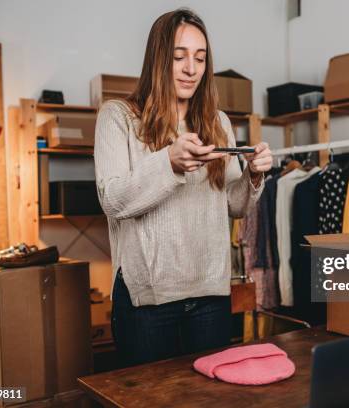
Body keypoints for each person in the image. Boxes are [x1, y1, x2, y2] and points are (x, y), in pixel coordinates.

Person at [94, 8, 272, 367]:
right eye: (179, 56)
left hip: (211, 297)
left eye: (200, 58)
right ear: (158, 59)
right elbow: (112, 199)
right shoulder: (118, 117)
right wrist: (168, 162)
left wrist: (254, 174)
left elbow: (234, 205)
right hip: (148, 304)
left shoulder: (217, 122)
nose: (191, 68)